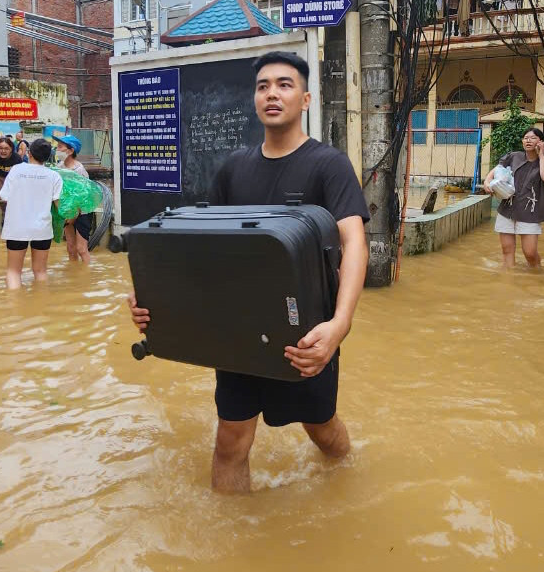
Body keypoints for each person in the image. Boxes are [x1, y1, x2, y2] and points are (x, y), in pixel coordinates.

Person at [127, 50, 370, 494]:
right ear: (255, 100)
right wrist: (152, 301)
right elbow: (199, 246)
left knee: (322, 430)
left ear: (306, 99)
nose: (272, 94)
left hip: (306, 335)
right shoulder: (233, 168)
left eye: (284, 84)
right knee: (230, 442)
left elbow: (354, 242)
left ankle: (349, 479)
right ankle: (230, 547)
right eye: (263, 86)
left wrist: (339, 325)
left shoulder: (328, 165)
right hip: (237, 332)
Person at [483, 128, 544, 268]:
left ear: (541, 142)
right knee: (507, 250)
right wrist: (487, 181)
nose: (528, 140)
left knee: (530, 253)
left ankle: (537, 274)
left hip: (530, 212)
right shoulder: (514, 156)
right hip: (507, 208)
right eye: (526, 137)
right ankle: (509, 281)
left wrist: (541, 156)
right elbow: (497, 169)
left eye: (533, 138)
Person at [0, 138, 61, 289]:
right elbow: (59, 206)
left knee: (14, 272)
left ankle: (14, 309)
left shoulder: (16, 170)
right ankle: (41, 305)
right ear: (48, 157)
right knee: (40, 271)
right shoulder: (54, 176)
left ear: (29, 153)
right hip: (42, 229)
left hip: (17, 228)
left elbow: (4, 196)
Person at [54, 134, 93, 265]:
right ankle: (74, 274)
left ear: (70, 151)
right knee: (70, 248)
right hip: (68, 211)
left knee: (81, 248)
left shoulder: (79, 170)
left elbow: (84, 195)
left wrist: (75, 214)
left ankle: (87, 276)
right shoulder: (59, 167)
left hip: (82, 212)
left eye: (60, 147)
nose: (57, 149)